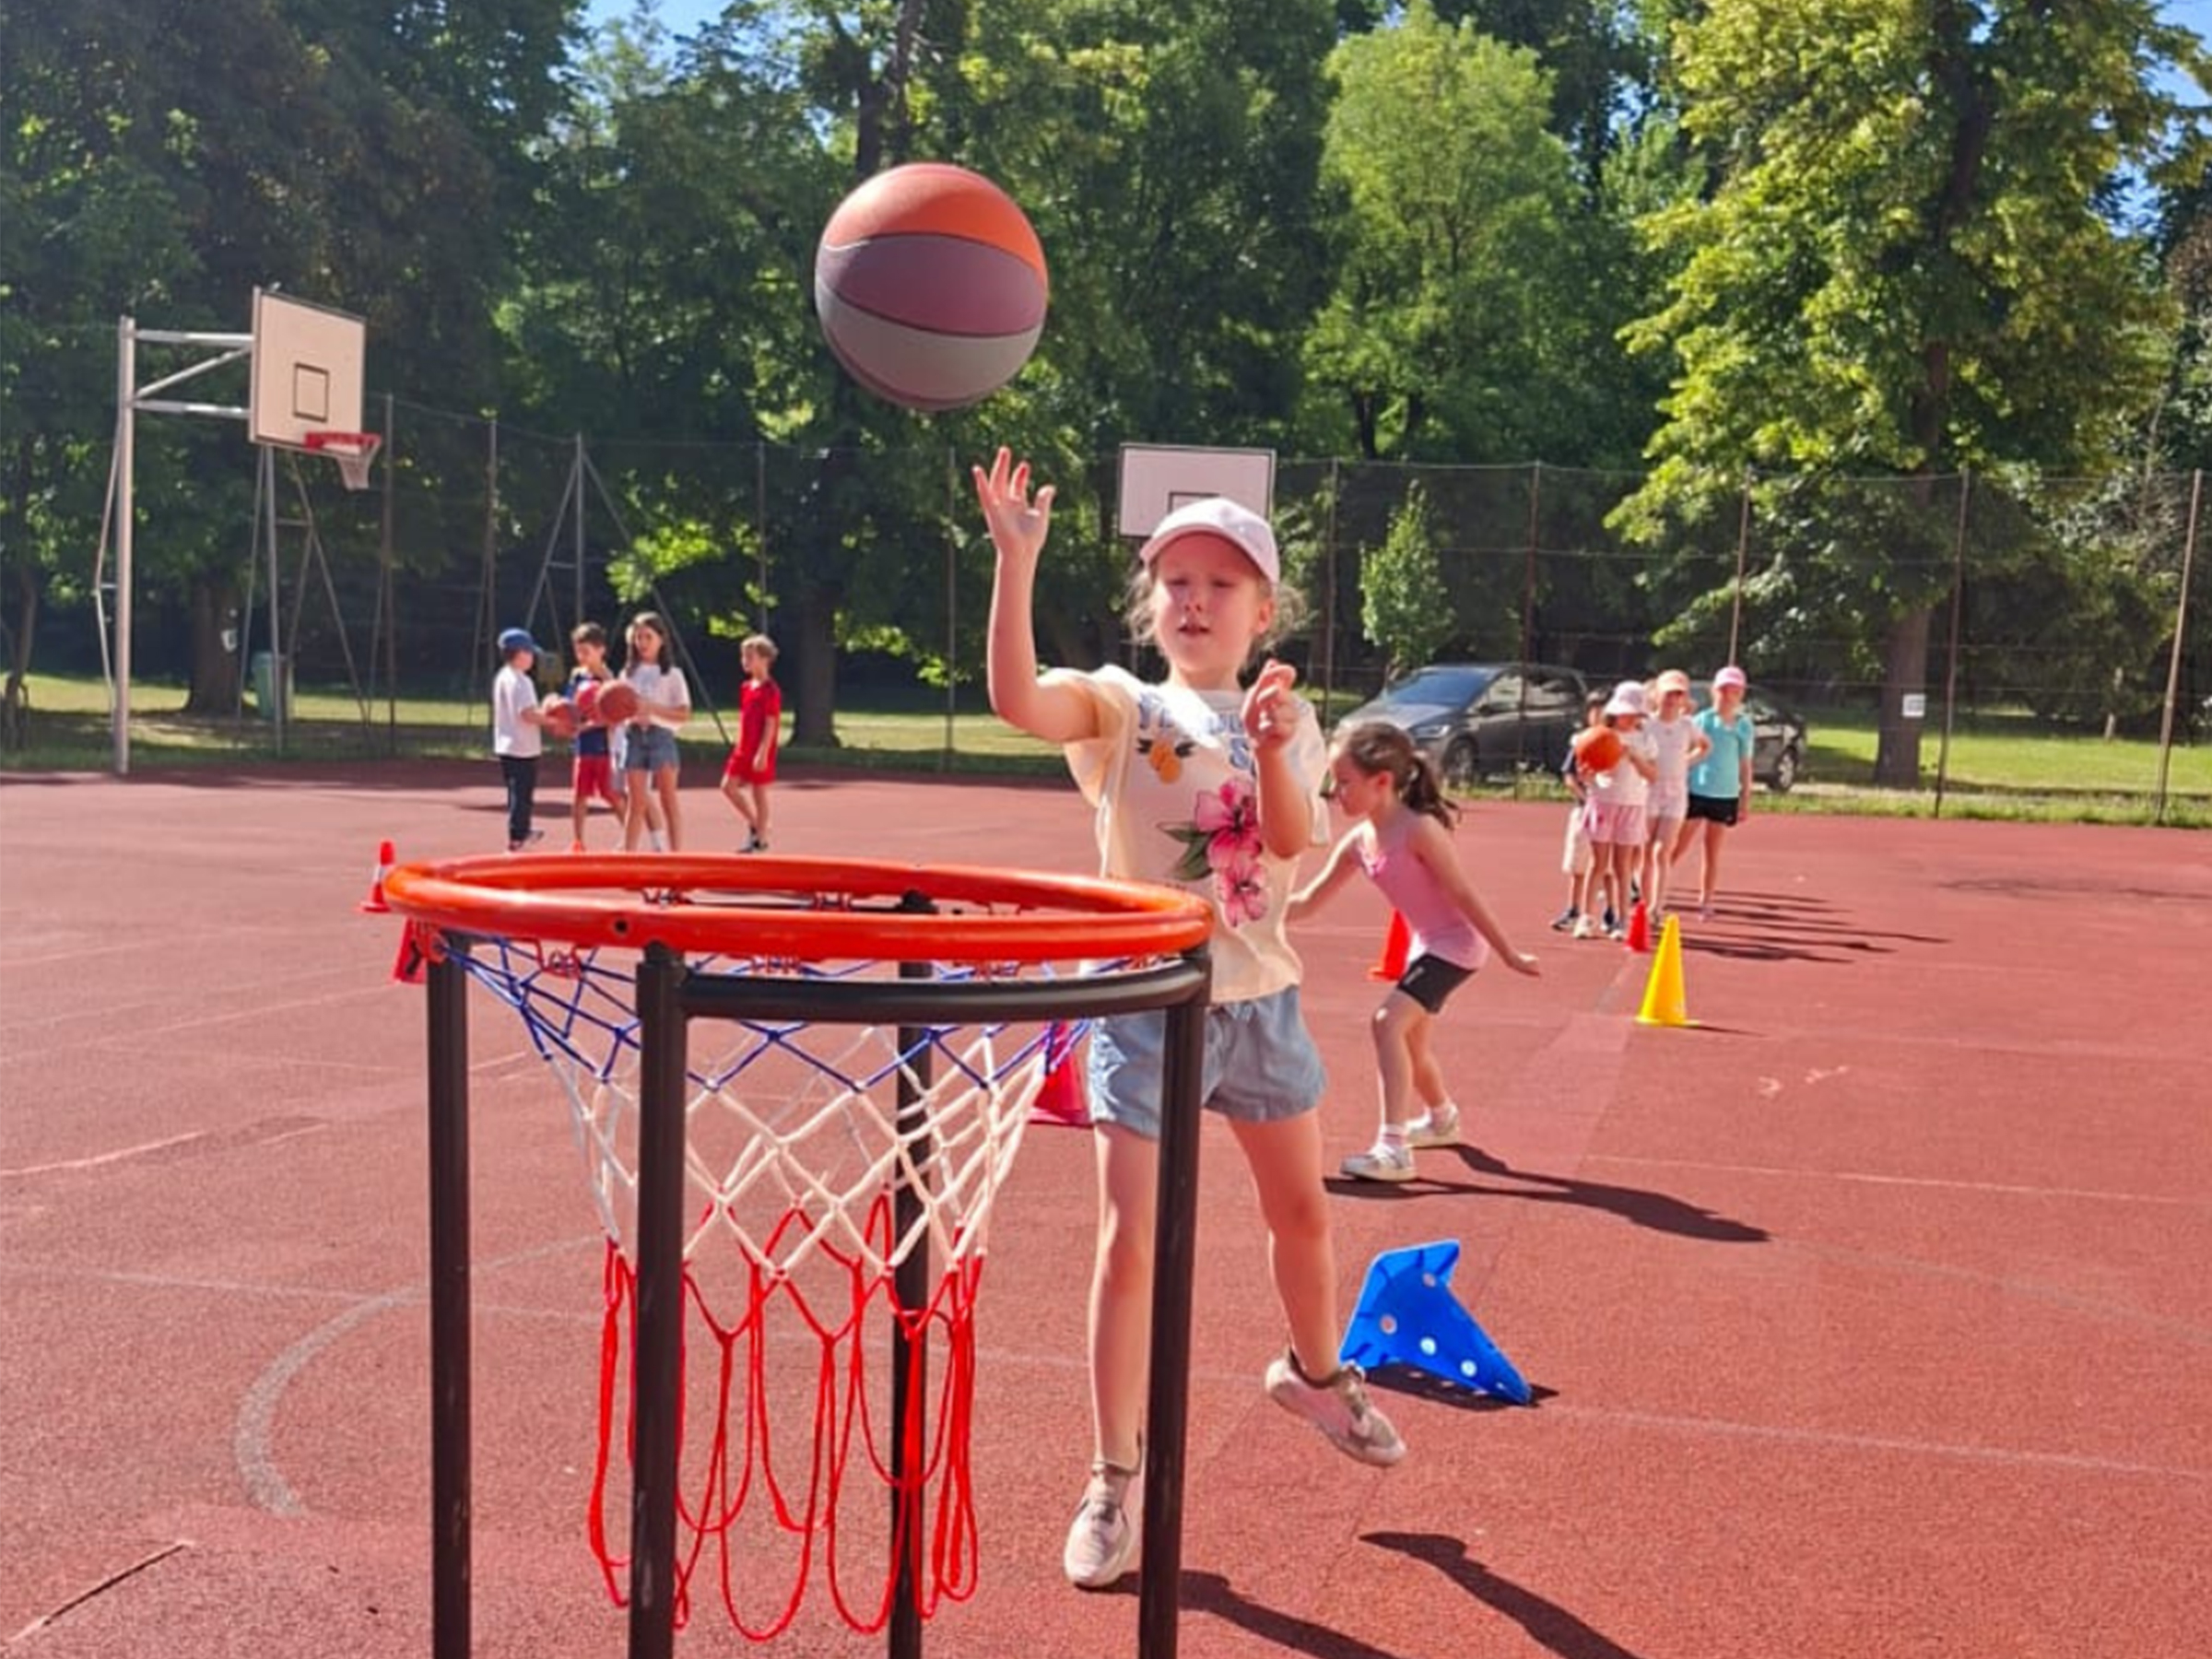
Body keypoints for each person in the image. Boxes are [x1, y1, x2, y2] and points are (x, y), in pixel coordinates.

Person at [974, 448, 1403, 1594]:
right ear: (1151, 603)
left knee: (1303, 1215)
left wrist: (1269, 748)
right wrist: (1017, 564)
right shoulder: (1122, 705)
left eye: (1223, 585)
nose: (1197, 600)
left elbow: (1294, 839)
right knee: (1130, 1243)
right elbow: (1018, 698)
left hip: (1258, 1002)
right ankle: (1114, 1474)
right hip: (1146, 1003)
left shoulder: (1291, 718)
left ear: (1265, 610)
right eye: (1177, 582)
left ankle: (1315, 1371)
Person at [1288, 721, 1538, 1182]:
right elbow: (1306, 903)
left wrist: (1509, 954)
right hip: (1426, 946)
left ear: (1382, 782)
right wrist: (1249, 914)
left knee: (1387, 1023)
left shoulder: (1418, 830)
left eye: (1344, 783)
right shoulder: (1358, 842)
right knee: (1413, 1044)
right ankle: (1442, 1118)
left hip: (1457, 946)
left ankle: (1394, 1148)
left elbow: (1464, 895)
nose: (1334, 792)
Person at [1672, 665, 1757, 918]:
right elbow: (1687, 753)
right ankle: (1650, 888)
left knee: (1712, 850)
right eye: (1724, 689)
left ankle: (1706, 899)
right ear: (1715, 691)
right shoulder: (1703, 720)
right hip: (1697, 791)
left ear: (1741, 694)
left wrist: (1744, 801)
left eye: (1735, 690)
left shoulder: (1743, 726)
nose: (1729, 695)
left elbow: (1745, 764)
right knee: (1678, 845)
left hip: (1725, 795)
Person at [1580, 680, 1657, 941]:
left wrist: (1634, 757)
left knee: (1622, 866)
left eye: (1632, 713)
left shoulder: (1645, 738)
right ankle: (1586, 917)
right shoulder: (1601, 735)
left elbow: (1653, 775)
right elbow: (1591, 772)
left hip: (1632, 804)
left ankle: (1623, 920)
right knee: (1598, 863)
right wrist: (1587, 775)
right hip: (1603, 802)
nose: (1627, 718)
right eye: (1623, 712)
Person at [1641, 669, 1710, 921]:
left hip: (1676, 793)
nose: (1672, 699)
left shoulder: (1686, 725)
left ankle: (1656, 907)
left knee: (1663, 851)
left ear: (1684, 699)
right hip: (1649, 791)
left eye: (1678, 694)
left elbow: (1705, 745)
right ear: (1657, 695)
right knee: (1646, 852)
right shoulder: (1647, 724)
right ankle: (1644, 901)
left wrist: (1687, 761)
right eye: (1668, 693)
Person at [619, 611, 690, 852]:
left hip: (661, 736)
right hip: (635, 737)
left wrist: (652, 709)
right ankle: (629, 856)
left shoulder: (672, 674)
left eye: (648, 636)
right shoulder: (628, 673)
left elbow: (683, 714)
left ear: (661, 639)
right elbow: (619, 707)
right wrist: (624, 713)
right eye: (638, 637)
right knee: (636, 802)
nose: (643, 642)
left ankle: (676, 856)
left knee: (668, 800)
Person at [565, 621, 626, 852]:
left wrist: (589, 725)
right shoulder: (577, 675)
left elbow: (613, 717)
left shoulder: (608, 680)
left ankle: (628, 833)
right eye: (578, 651)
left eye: (586, 652)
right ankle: (578, 841)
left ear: (601, 650)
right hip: (582, 745)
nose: (581, 656)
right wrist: (563, 717)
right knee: (579, 794)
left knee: (610, 794)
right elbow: (570, 704)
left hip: (603, 745)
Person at [1552, 688, 1609, 934]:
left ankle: (1610, 910)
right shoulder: (1580, 741)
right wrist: (1584, 797)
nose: (1598, 714)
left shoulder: (1615, 742)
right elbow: (1568, 775)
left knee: (1605, 865)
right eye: (1594, 709)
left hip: (1609, 811)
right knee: (1578, 862)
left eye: (1603, 709)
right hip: (1584, 810)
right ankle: (1573, 907)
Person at [720, 633, 782, 852]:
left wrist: (763, 752)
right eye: (743, 657)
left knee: (759, 792)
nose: (745, 661)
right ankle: (756, 824)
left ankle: (761, 840)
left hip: (760, 749)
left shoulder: (770, 691)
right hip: (743, 747)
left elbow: (770, 723)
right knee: (727, 787)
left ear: (765, 659)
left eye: (750, 656)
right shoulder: (746, 687)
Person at [491, 626, 547, 852]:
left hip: (507, 744)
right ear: (520, 653)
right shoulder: (521, 681)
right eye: (530, 653)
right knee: (522, 794)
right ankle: (517, 837)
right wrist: (555, 720)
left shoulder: (503, 676)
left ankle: (522, 829)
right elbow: (527, 714)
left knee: (518, 792)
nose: (532, 657)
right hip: (522, 747)